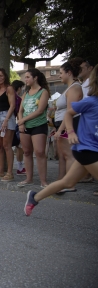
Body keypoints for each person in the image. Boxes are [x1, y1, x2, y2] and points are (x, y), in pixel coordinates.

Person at [25, 65, 98, 216]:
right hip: (87, 149)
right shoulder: (91, 101)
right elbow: (69, 113)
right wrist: (70, 132)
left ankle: (35, 197)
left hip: (91, 149)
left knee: (68, 182)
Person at [53, 59, 83, 192]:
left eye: (61, 73)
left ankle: (70, 184)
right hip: (63, 124)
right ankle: (63, 181)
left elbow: (70, 112)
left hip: (68, 125)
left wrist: (61, 129)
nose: (59, 75)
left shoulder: (75, 88)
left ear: (69, 73)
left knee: (69, 154)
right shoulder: (70, 88)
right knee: (63, 155)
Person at [17, 68, 51, 188]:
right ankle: (29, 179)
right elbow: (20, 110)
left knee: (40, 152)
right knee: (26, 152)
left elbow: (40, 110)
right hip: (25, 127)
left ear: (35, 78)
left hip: (38, 125)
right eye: (25, 77)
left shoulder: (43, 92)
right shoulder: (25, 93)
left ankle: (43, 181)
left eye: (27, 77)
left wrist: (23, 120)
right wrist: (21, 123)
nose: (25, 79)